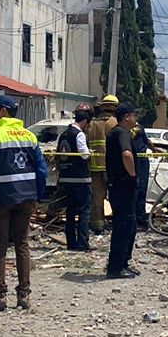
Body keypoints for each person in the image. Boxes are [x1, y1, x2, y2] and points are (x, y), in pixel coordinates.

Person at [0, 93, 49, 312]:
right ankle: (24, 295)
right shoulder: (29, 136)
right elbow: (42, 170)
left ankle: (0, 297)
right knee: (22, 244)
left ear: (3, 111)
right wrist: (37, 194)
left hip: (1, 198)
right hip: (26, 198)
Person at [104, 103, 143, 279]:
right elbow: (126, 154)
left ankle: (123, 262)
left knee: (129, 225)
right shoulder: (122, 133)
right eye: (135, 115)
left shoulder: (116, 132)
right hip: (123, 186)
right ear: (127, 117)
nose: (137, 118)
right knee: (123, 226)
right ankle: (116, 267)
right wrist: (133, 174)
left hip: (118, 186)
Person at [57, 104, 95, 250]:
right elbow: (84, 155)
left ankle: (71, 243)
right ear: (85, 122)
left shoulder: (64, 135)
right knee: (84, 211)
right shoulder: (79, 134)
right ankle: (83, 243)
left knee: (71, 211)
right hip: (80, 178)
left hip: (66, 177)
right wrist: (90, 153)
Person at [86, 95, 120, 235]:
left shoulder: (92, 124)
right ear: (115, 108)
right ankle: (118, 223)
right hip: (112, 167)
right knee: (116, 196)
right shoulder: (116, 123)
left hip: (95, 166)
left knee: (97, 198)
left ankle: (97, 224)